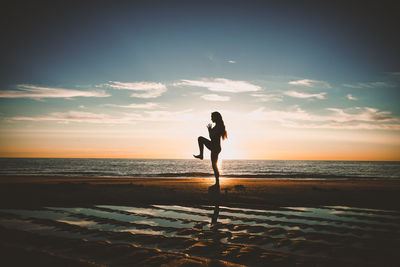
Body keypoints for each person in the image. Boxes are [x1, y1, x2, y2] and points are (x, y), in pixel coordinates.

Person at [193, 111, 227, 191]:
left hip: (215, 147)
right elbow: (212, 137)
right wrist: (210, 130)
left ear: (216, 117)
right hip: (214, 146)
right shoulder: (217, 126)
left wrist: (209, 130)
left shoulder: (219, 126)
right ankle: (217, 184)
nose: (211, 118)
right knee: (214, 165)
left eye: (212, 117)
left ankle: (217, 184)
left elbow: (212, 136)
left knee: (200, 138)